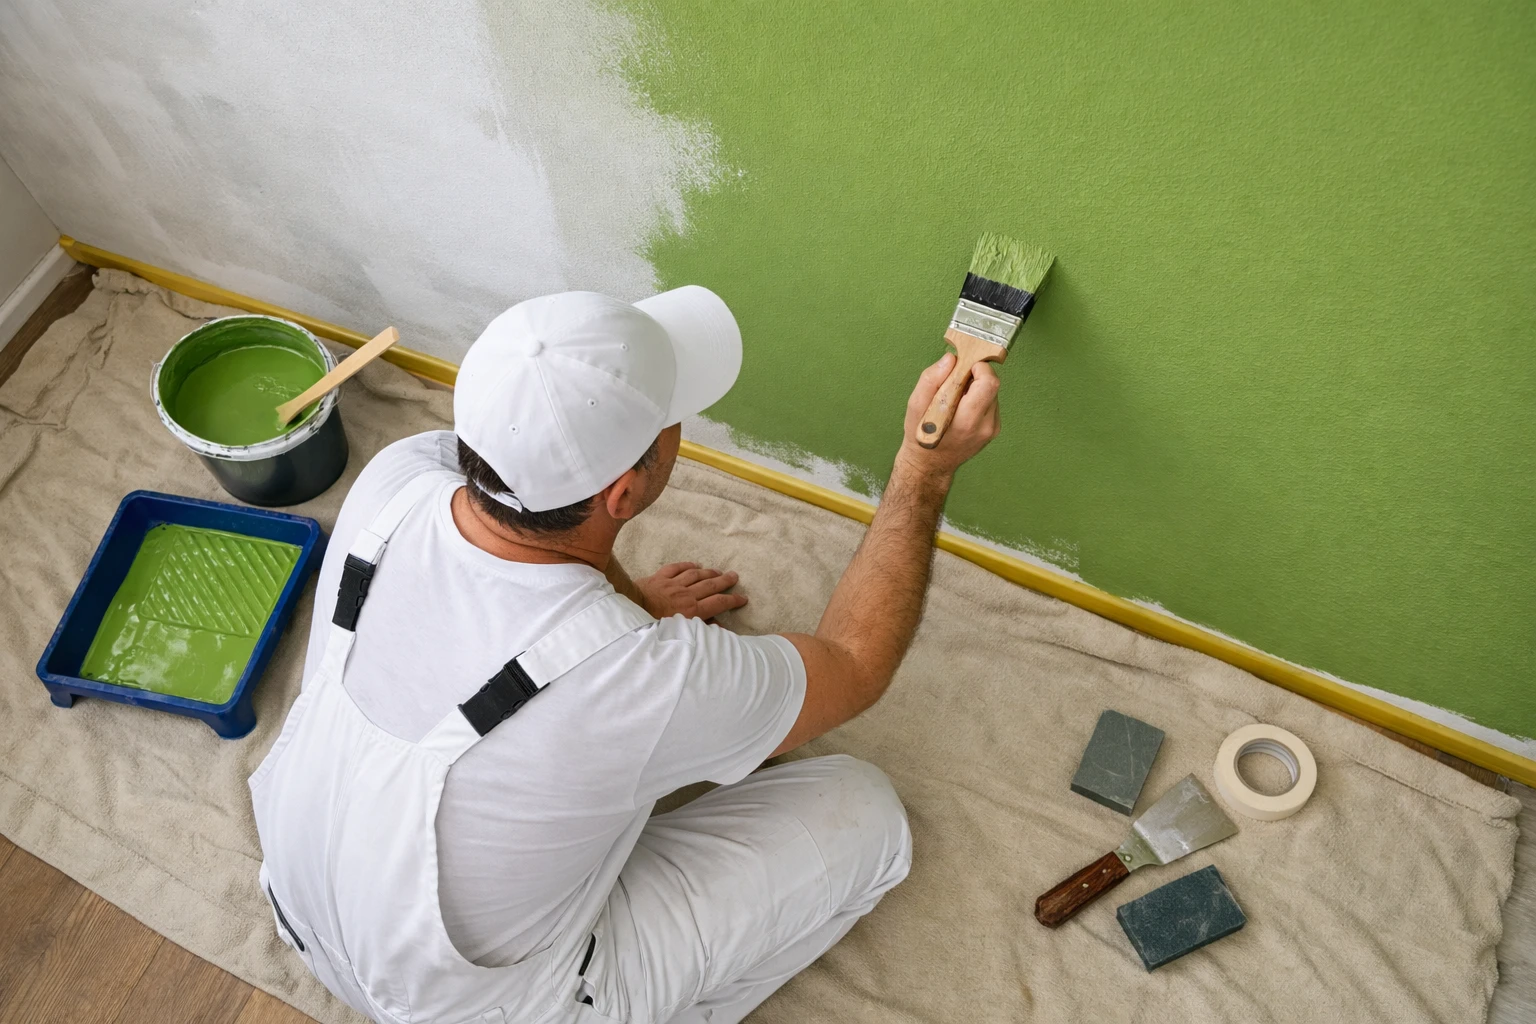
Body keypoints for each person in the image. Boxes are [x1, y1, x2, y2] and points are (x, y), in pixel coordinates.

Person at [249, 285, 1001, 1024]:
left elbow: (544, 546)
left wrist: (622, 614)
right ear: (625, 492)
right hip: (472, 1011)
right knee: (864, 813)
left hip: (307, 906)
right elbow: (853, 662)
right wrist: (923, 473)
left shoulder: (402, 477)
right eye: (672, 418)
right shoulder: (647, 678)